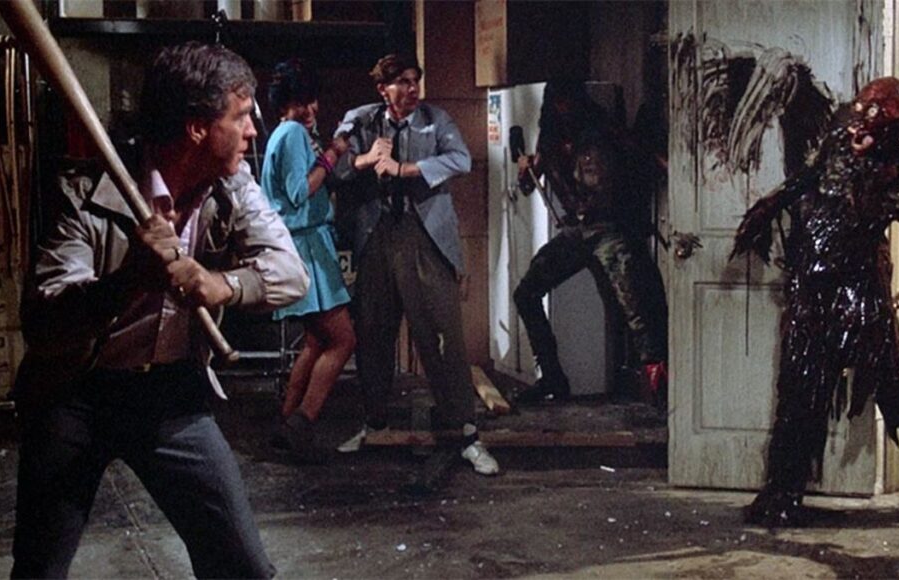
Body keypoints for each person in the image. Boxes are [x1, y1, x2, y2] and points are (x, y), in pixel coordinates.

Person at [11, 42, 309, 577]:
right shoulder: (86, 191)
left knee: (242, 568)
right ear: (197, 127)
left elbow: (292, 274)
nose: (252, 131)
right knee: (39, 568)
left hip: (170, 392)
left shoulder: (233, 185)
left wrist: (221, 284)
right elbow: (43, 321)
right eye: (241, 116)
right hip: (75, 394)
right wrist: (130, 281)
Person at [732, 77, 899, 533]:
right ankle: (781, 497)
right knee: (799, 394)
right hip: (810, 293)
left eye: (872, 122)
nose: (857, 129)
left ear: (896, 133)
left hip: (861, 301)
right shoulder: (840, 146)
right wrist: (769, 207)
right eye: (858, 116)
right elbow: (809, 180)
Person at [330, 53, 498, 475]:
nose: (411, 89)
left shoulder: (434, 120)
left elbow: (460, 159)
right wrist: (366, 160)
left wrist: (405, 168)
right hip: (377, 237)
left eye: (415, 81)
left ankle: (466, 433)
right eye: (402, 82)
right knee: (373, 333)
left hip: (423, 237)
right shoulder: (362, 120)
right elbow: (335, 167)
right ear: (382, 89)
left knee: (442, 335)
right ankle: (374, 423)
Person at [513, 80, 668, 405]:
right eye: (557, 103)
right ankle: (552, 378)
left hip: (610, 228)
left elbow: (638, 162)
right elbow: (529, 184)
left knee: (637, 314)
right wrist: (525, 169)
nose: (562, 109)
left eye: (566, 102)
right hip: (578, 229)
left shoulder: (603, 130)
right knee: (526, 294)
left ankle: (661, 393)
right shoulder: (551, 138)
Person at [261, 59, 356, 453]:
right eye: (303, 101)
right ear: (288, 102)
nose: (312, 108)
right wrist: (332, 154)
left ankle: (287, 422)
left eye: (313, 100)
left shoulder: (281, 135)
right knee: (344, 340)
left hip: (301, 245)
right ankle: (303, 423)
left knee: (316, 341)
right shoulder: (292, 134)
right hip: (306, 248)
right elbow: (300, 192)